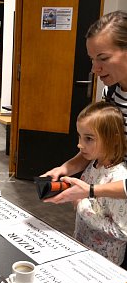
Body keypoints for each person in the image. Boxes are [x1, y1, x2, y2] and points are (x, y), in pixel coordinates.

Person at [43, 11, 127, 203]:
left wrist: (92, 190)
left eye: (103, 58)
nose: (94, 68)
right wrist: (65, 169)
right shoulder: (111, 92)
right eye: (92, 59)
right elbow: (101, 145)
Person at [73, 101, 127, 266]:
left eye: (88, 138)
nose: (80, 144)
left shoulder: (118, 177)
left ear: (113, 139)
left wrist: (80, 206)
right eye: (80, 137)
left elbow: (121, 232)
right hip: (84, 248)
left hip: (105, 263)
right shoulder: (94, 164)